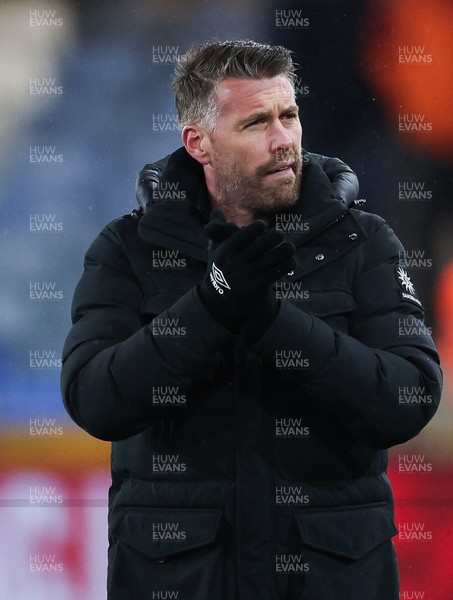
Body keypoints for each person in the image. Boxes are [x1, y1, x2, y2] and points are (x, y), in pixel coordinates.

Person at [61, 40, 442, 600]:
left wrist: (275, 322)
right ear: (199, 143)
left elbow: (410, 398)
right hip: (180, 579)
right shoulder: (128, 249)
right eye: (256, 122)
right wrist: (210, 307)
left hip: (332, 577)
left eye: (289, 116)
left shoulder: (365, 242)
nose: (283, 140)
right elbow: (95, 399)